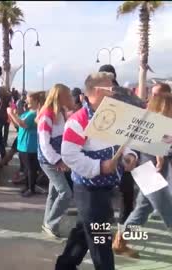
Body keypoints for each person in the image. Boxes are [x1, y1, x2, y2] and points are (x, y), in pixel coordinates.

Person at [55, 72, 138, 270]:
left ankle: (64, 266)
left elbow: (124, 141)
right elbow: (69, 155)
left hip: (106, 186)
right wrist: (99, 166)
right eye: (112, 89)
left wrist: (130, 155)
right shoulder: (78, 121)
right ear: (99, 91)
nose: (115, 92)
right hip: (89, 190)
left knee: (86, 231)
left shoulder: (111, 115)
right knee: (100, 240)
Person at [113, 92, 172, 258]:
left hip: (149, 173)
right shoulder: (155, 123)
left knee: (142, 210)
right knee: (168, 211)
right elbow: (159, 153)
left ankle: (120, 241)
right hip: (151, 174)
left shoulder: (152, 122)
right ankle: (120, 241)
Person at [37, 84, 74, 238]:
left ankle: (48, 223)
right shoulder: (47, 115)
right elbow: (44, 143)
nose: (70, 98)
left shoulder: (60, 113)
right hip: (49, 160)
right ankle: (52, 223)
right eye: (68, 95)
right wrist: (58, 161)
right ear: (60, 97)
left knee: (54, 193)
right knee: (65, 193)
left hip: (56, 159)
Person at [7, 91, 45, 197]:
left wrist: (11, 113)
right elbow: (18, 124)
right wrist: (13, 115)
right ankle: (28, 186)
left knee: (31, 169)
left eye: (29, 99)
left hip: (30, 146)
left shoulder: (34, 114)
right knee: (27, 169)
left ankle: (31, 188)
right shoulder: (28, 113)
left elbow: (23, 124)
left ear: (36, 101)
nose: (26, 101)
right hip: (23, 145)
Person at [0, 86, 12, 158]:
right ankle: (4, 144)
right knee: (2, 133)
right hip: (6, 116)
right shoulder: (8, 97)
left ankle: (2, 154)